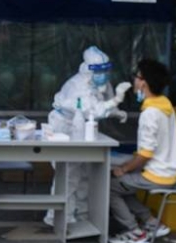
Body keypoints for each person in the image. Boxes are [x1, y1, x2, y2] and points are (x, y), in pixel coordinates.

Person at [46, 46, 132, 224]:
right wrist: (116, 100)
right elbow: (93, 109)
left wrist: (116, 110)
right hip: (64, 127)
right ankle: (59, 217)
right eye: (99, 71)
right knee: (68, 173)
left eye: (106, 70)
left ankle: (82, 214)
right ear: (88, 69)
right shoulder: (79, 85)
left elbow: (105, 102)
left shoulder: (100, 82)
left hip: (81, 126)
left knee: (85, 172)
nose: (104, 74)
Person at [108, 58, 176, 243]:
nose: (133, 81)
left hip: (157, 175)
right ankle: (151, 223)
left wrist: (123, 168)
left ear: (144, 82)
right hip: (168, 170)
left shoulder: (150, 114)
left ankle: (134, 232)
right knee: (122, 185)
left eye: (136, 77)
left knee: (109, 187)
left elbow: (146, 155)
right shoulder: (164, 104)